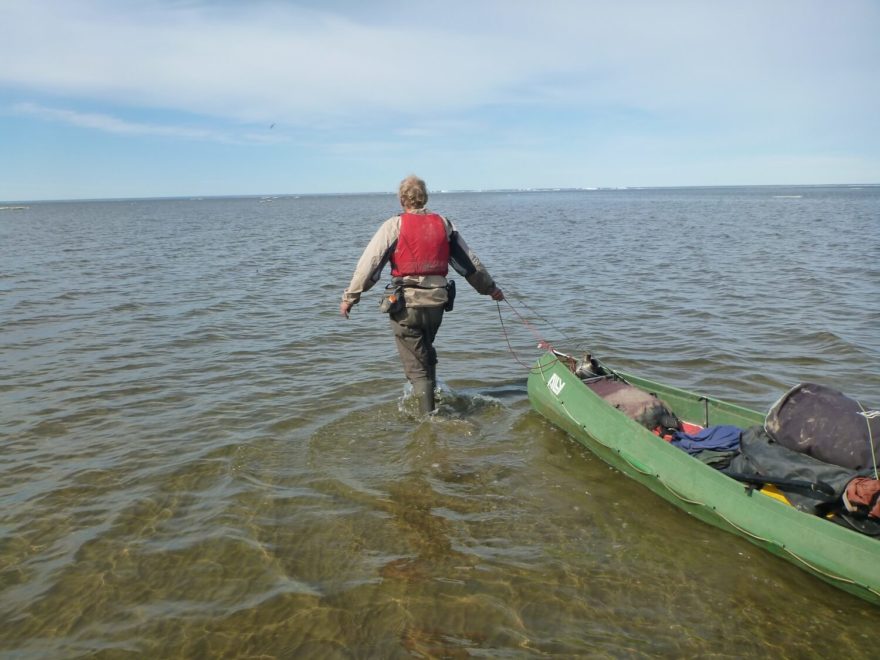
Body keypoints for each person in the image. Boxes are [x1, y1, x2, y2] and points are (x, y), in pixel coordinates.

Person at [340, 175, 504, 414]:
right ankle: (434, 401)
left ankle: (429, 422)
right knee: (425, 352)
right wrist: (490, 289)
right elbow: (470, 263)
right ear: (424, 197)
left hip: (406, 306)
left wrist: (349, 298)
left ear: (402, 200)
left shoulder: (394, 225)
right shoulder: (444, 224)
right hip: (437, 305)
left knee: (416, 367)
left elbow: (369, 265)